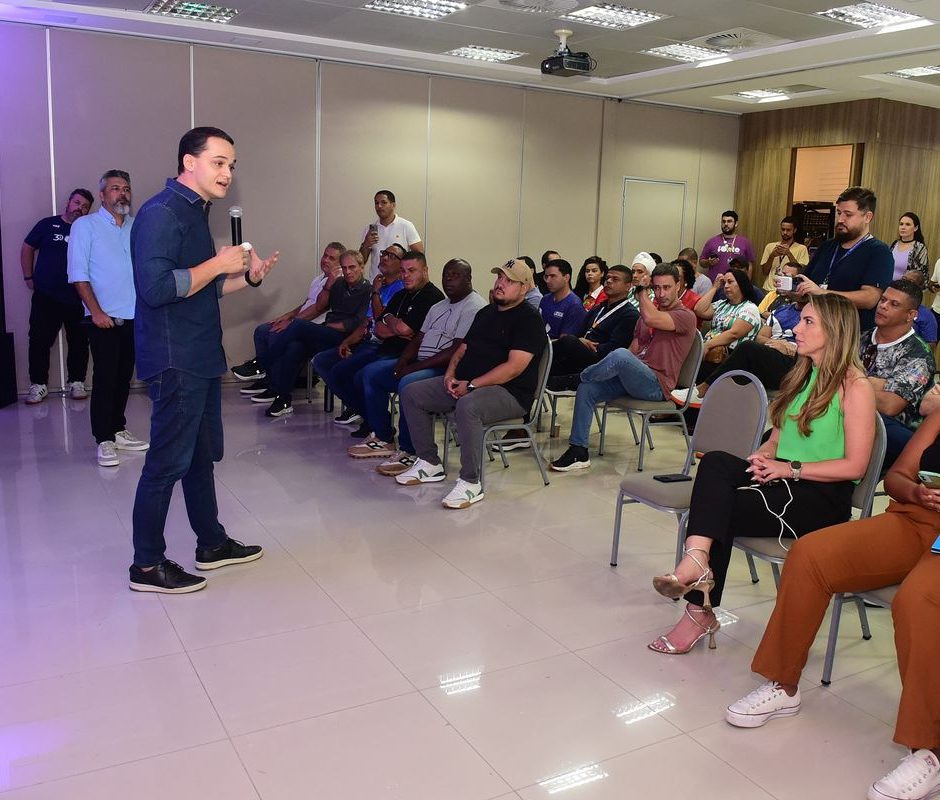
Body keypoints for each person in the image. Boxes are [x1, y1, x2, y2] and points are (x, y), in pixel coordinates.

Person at [726, 408, 940, 800]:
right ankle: (783, 684)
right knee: (809, 554)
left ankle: (930, 749)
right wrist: (918, 492)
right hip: (915, 519)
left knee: (919, 601)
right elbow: (897, 477)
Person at [648, 293, 876, 655]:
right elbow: (780, 435)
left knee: (715, 511)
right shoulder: (804, 375)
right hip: (784, 480)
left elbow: (855, 467)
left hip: (821, 498)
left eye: (807, 323)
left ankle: (698, 606)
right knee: (716, 462)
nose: (796, 330)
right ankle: (698, 561)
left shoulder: (856, 387)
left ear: (835, 331)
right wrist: (766, 453)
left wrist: (788, 468)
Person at [128, 126, 279, 594]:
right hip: (176, 359)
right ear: (188, 162)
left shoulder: (194, 213)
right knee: (167, 462)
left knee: (199, 458)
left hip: (199, 355)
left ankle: (210, 544)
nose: (227, 173)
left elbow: (198, 287)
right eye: (218, 162)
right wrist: (219, 263)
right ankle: (147, 566)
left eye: (231, 164)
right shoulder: (161, 213)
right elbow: (155, 289)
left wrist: (247, 278)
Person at [395, 259, 546, 509]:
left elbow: (513, 368)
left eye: (509, 281)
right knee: (412, 392)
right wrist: (449, 375)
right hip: (466, 383)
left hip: (509, 393)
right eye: (499, 278)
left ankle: (470, 482)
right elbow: (462, 348)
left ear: (524, 288)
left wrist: (472, 385)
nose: (500, 284)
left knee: (468, 405)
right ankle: (429, 462)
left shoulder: (529, 320)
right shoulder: (486, 312)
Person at [549, 262, 697, 471]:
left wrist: (641, 292)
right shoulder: (646, 316)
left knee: (618, 355)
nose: (661, 293)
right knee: (588, 389)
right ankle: (578, 451)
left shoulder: (685, 316)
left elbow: (651, 318)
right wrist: (614, 370)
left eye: (667, 287)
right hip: (635, 378)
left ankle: (577, 377)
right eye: (657, 288)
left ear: (678, 286)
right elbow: (633, 349)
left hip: (658, 385)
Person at [349, 258, 486, 471]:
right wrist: (403, 361)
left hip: (448, 370)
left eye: (455, 275)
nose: (449, 280)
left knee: (408, 383)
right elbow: (418, 339)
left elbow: (455, 351)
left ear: (469, 279)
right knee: (371, 374)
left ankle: (409, 450)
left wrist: (412, 368)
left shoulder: (474, 306)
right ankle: (384, 437)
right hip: (421, 363)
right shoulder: (439, 306)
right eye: (446, 275)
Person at [67, 170, 149, 467]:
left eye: (126, 188)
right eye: (115, 189)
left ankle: (117, 429)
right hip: (104, 317)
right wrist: (97, 311)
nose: (122, 193)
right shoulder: (85, 226)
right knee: (105, 377)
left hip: (135, 316)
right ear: (102, 195)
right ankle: (104, 439)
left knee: (124, 376)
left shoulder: (136, 226)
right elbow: (78, 274)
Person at [312, 250, 443, 430]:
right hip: (383, 348)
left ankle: (380, 430)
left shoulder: (431, 296)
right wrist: (395, 326)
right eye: (404, 271)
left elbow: (404, 329)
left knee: (364, 373)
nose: (406, 275)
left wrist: (393, 323)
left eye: (412, 271)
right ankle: (371, 420)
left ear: (425, 271)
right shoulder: (401, 295)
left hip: (405, 356)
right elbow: (379, 328)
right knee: (339, 369)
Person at [254, 250, 371, 415]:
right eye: (344, 268)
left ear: (362, 267)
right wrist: (329, 284)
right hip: (329, 332)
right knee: (295, 346)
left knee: (298, 326)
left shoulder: (367, 290)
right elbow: (321, 305)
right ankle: (283, 400)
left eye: (352, 267)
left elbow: (355, 324)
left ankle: (262, 363)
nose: (348, 272)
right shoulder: (339, 284)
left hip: (346, 338)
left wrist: (330, 326)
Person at [230, 241, 345, 391]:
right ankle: (265, 380)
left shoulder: (338, 282)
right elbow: (307, 303)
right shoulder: (318, 279)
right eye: (325, 255)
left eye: (332, 258)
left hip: (314, 327)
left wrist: (291, 323)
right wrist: (288, 315)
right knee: (262, 331)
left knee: (274, 335)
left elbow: (319, 309)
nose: (326, 260)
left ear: (340, 264)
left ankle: (272, 383)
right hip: (301, 321)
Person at [21, 188, 94, 404]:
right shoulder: (47, 224)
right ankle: (38, 384)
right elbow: (27, 248)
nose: (79, 208)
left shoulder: (88, 231)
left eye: (84, 207)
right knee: (39, 340)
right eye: (77, 203)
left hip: (78, 296)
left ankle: (77, 382)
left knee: (79, 342)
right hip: (47, 296)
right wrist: (28, 277)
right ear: (68, 203)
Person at [795, 186, 893, 331]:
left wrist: (822, 294)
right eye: (839, 213)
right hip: (814, 328)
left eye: (848, 214)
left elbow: (869, 299)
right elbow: (808, 283)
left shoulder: (879, 252)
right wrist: (793, 290)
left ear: (867, 217)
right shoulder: (827, 246)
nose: (840, 219)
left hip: (848, 334)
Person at [861, 279, 935, 469]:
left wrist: (854, 383)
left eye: (894, 304)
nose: (883, 306)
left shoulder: (918, 354)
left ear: (911, 315)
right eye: (883, 300)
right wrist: (874, 384)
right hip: (851, 418)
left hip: (896, 434)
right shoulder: (862, 337)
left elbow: (891, 405)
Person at [546, 265, 639, 391]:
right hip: (579, 353)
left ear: (628, 286)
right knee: (544, 368)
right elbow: (580, 332)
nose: (609, 281)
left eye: (615, 279)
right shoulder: (598, 308)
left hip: (600, 359)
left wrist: (582, 343)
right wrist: (580, 341)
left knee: (568, 341)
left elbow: (615, 348)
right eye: (607, 278)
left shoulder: (630, 314)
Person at [693, 268, 761, 381]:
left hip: (730, 355)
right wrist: (715, 287)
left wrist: (708, 345)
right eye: (724, 283)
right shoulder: (721, 304)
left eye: (730, 282)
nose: (725, 286)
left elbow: (734, 334)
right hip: (709, 349)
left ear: (741, 284)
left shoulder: (750, 308)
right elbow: (699, 310)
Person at [358, 189, 423, 276]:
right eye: (376, 203)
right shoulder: (369, 229)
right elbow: (360, 262)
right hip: (376, 282)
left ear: (393, 205)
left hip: (400, 283)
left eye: (384, 202)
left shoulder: (406, 226)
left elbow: (419, 255)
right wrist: (366, 244)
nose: (379, 206)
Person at [700, 210, 755, 281]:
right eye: (723, 221)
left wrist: (747, 283)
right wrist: (709, 262)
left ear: (736, 223)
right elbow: (701, 262)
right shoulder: (711, 241)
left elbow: (750, 264)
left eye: (729, 221)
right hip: (715, 286)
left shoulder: (745, 242)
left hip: (737, 285)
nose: (726, 224)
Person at [538, 258, 586, 339]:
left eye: (553, 276)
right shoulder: (545, 299)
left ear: (566, 278)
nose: (548, 281)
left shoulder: (574, 305)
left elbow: (564, 342)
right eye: (546, 277)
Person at [759, 216, 809, 290]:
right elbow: (764, 272)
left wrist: (788, 254)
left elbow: (801, 273)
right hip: (769, 289)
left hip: (788, 291)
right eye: (783, 229)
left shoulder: (802, 248)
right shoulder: (770, 246)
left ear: (794, 230)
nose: (785, 232)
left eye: (788, 230)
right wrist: (772, 256)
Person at [888, 211, 929, 280]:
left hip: (905, 288)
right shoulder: (895, 244)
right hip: (887, 286)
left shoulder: (919, 248)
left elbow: (922, 275)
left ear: (915, 228)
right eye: (901, 224)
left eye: (907, 224)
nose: (903, 227)